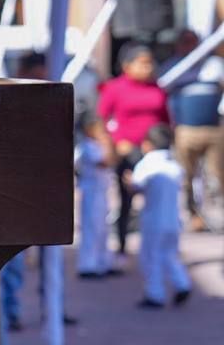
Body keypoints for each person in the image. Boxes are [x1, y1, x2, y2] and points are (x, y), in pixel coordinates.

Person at [98, 43, 171, 256]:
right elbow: (101, 119)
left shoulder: (157, 88)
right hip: (128, 151)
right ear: (127, 66)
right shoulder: (115, 87)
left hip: (154, 153)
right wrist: (115, 143)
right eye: (142, 63)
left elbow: (166, 120)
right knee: (126, 200)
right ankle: (121, 245)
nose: (148, 68)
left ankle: (159, 246)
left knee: (158, 199)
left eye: (150, 63)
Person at [161, 29, 224, 231]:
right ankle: (193, 216)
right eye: (184, 42)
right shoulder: (172, 67)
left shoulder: (213, 66)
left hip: (214, 130)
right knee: (186, 177)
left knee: (217, 176)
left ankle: (217, 216)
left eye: (193, 42)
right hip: (185, 131)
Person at [128, 124, 192, 309]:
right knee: (170, 255)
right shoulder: (174, 166)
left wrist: (129, 183)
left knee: (151, 257)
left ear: (148, 144)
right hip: (173, 219)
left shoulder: (147, 164)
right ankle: (182, 283)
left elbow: (137, 185)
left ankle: (155, 293)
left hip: (153, 220)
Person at [75, 111, 116, 279]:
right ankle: (87, 265)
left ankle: (102, 263)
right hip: (90, 192)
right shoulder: (86, 147)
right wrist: (107, 142)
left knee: (102, 229)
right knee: (91, 229)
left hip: (101, 192)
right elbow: (105, 162)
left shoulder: (95, 146)